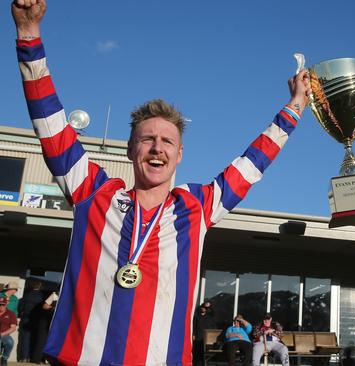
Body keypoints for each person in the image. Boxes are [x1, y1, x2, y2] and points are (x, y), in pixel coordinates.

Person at [11, 1, 311, 365]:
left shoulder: (197, 206)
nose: (157, 148)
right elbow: (50, 124)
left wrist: (294, 107)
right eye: (146, 139)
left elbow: (254, 161)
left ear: (180, 154)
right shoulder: (92, 192)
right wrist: (29, 35)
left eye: (167, 141)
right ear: (129, 149)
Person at [17, 280, 45, 363]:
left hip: (26, 318)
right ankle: (32, 356)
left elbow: (20, 307)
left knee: (25, 338)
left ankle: (24, 357)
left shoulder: (26, 295)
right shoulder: (41, 297)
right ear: (40, 287)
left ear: (32, 286)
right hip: (37, 320)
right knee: (36, 338)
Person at [0, 298, 18, 366]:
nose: (1, 306)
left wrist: (2, 334)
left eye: (3, 305)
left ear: (6, 305)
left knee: (10, 342)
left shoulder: (11, 314)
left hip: (4, 335)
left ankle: (4, 358)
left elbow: (13, 328)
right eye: (0, 304)